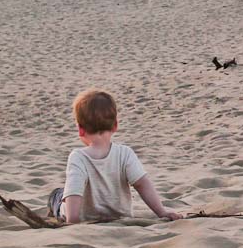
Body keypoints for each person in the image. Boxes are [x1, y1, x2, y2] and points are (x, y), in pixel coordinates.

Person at [51, 89, 181, 224]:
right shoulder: (125, 153)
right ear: (115, 126)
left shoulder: (78, 156)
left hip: (87, 219)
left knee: (57, 195)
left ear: (80, 130)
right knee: (64, 192)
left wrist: (72, 221)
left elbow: (74, 193)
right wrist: (162, 212)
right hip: (120, 216)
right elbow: (142, 184)